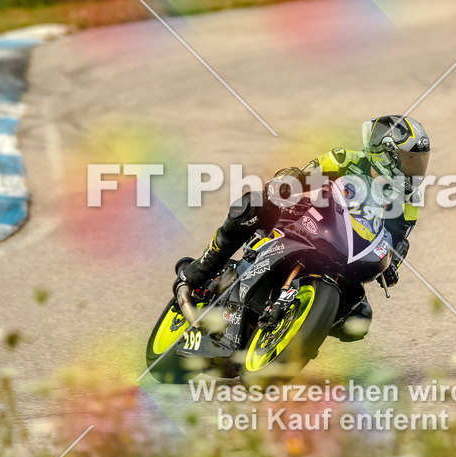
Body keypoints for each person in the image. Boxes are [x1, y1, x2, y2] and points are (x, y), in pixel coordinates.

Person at [178, 115, 430, 342]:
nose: (414, 170)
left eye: (418, 163)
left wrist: (392, 264)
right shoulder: (347, 159)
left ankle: (296, 329)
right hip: (306, 221)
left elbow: (397, 238)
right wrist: (287, 181)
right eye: (409, 161)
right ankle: (202, 268)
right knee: (252, 205)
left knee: (358, 320)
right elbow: (306, 175)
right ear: (385, 152)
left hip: (348, 249)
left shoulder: (409, 199)